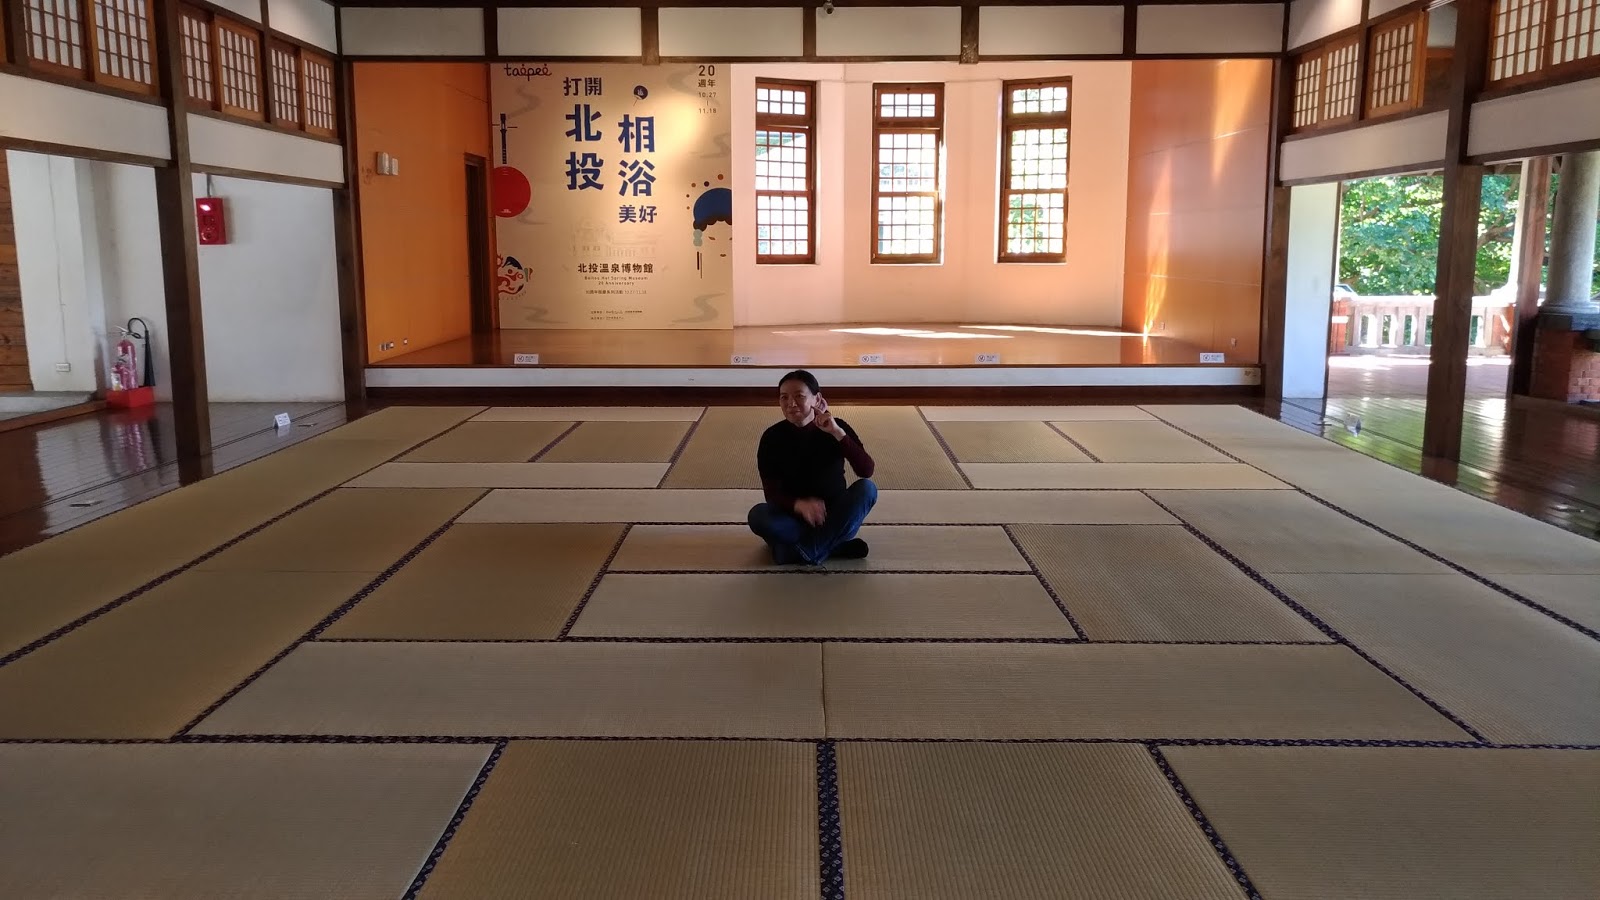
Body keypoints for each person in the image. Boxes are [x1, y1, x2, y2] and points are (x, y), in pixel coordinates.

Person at [747, 370, 878, 564]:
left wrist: (837, 433)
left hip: (835, 517)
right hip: (792, 519)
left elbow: (866, 470)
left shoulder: (837, 428)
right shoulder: (772, 437)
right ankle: (831, 546)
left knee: (867, 489)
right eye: (784, 397)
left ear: (817, 399)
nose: (791, 404)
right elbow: (772, 493)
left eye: (799, 396)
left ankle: (800, 551)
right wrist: (799, 505)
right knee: (758, 515)